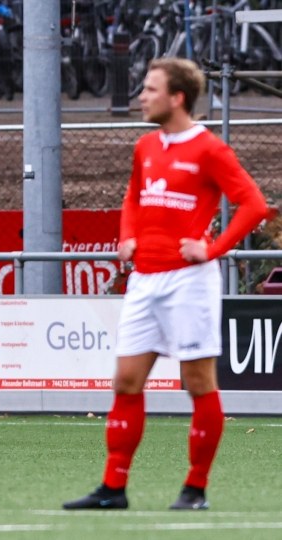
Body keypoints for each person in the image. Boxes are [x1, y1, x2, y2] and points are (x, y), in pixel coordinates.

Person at [63, 58, 268, 511]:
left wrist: (212, 250)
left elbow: (254, 204)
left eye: (151, 89)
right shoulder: (147, 146)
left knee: (197, 384)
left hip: (188, 282)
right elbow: (133, 195)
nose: (141, 95)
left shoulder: (209, 149)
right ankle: (113, 489)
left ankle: (195, 490)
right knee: (127, 382)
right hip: (144, 279)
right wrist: (126, 237)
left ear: (177, 98)